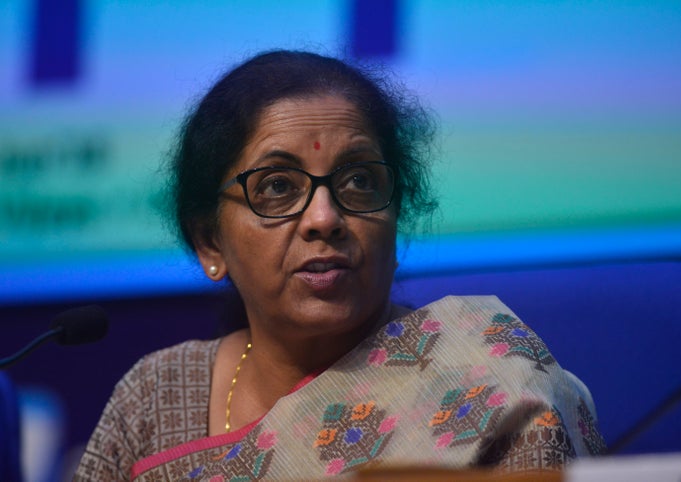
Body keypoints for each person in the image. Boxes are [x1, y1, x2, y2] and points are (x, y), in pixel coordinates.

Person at [74, 50, 605, 481]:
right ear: (210, 242)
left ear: (396, 218)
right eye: (277, 188)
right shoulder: (154, 397)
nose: (324, 218)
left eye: (357, 181)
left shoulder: (494, 382)